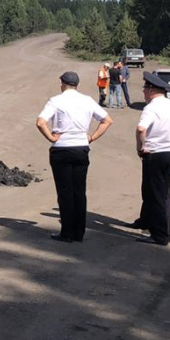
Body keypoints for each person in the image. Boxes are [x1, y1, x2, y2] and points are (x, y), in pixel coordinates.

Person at [35, 71, 113, 243]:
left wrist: (51, 137)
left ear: (62, 83)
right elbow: (107, 120)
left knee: (65, 192)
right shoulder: (87, 100)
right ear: (77, 85)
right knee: (79, 191)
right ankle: (79, 233)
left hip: (62, 149)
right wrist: (92, 137)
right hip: (81, 148)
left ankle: (67, 232)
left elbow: (40, 122)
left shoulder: (56, 101)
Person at [128, 72, 170, 245]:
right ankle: (146, 221)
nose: (143, 92)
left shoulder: (151, 108)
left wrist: (140, 147)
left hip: (154, 153)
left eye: (145, 89)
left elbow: (141, 129)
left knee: (157, 194)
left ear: (152, 90)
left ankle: (161, 234)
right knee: (155, 189)